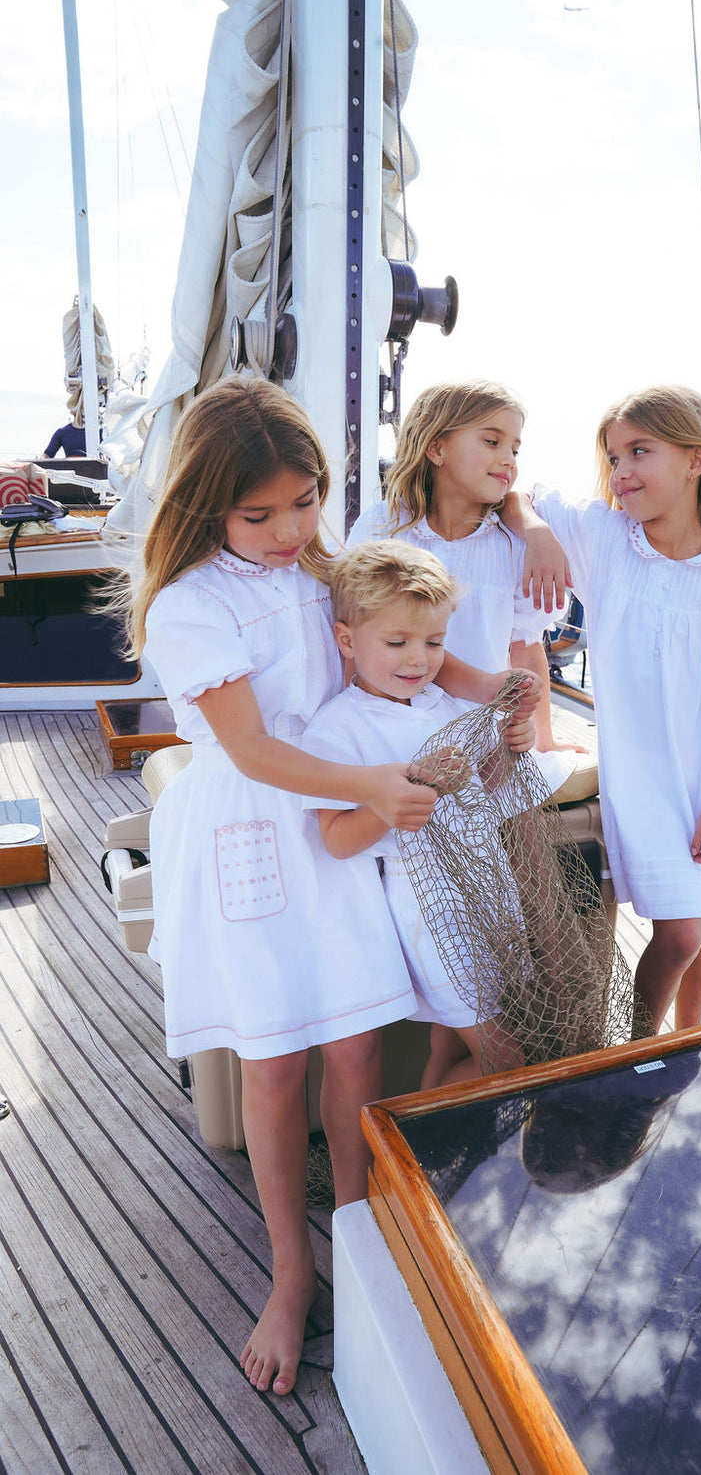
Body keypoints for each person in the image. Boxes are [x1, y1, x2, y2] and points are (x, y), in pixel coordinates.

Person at [125, 375, 530, 1399]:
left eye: (304, 503)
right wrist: (375, 787)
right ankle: (291, 1273)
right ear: (205, 504)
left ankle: (354, 1231)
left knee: (353, 1046)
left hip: (340, 833)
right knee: (272, 1066)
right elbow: (254, 750)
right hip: (258, 831)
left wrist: (495, 687)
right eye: (258, 515)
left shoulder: (325, 569)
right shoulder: (189, 604)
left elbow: (413, 645)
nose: (287, 530)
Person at [505, 385, 701, 1037]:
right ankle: (638, 1053)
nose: (621, 471)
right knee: (681, 934)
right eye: (613, 457)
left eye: (639, 452)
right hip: (642, 782)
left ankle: (686, 1046)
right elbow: (519, 495)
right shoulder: (605, 538)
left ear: (695, 460)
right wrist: (539, 536)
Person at [302, 540, 533, 1087]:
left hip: (485, 892)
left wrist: (511, 746)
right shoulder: (337, 728)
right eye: (397, 642)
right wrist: (407, 791)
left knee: (446, 1044)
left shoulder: (443, 703)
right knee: (508, 1058)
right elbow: (337, 839)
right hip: (432, 915)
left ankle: (434, 1133)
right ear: (346, 640)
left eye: (434, 642)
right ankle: (437, 1132)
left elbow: (484, 790)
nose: (418, 659)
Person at [347, 378, 582, 761]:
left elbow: (524, 647)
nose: (509, 460)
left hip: (479, 739)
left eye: (515, 449)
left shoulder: (511, 543)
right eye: (492, 441)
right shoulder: (383, 526)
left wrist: (544, 741)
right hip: (390, 734)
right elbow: (352, 636)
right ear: (437, 448)